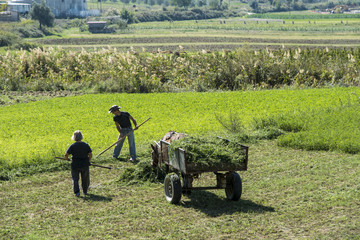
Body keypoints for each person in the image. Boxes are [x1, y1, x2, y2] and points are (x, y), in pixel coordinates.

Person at [65, 130, 92, 197]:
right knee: (85, 178)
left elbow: (66, 154)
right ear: (81, 137)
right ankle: (85, 191)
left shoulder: (73, 146)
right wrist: (88, 160)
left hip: (75, 165)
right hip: (84, 164)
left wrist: (67, 159)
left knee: (75, 179)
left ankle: (77, 192)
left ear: (74, 137)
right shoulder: (85, 145)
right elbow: (90, 154)